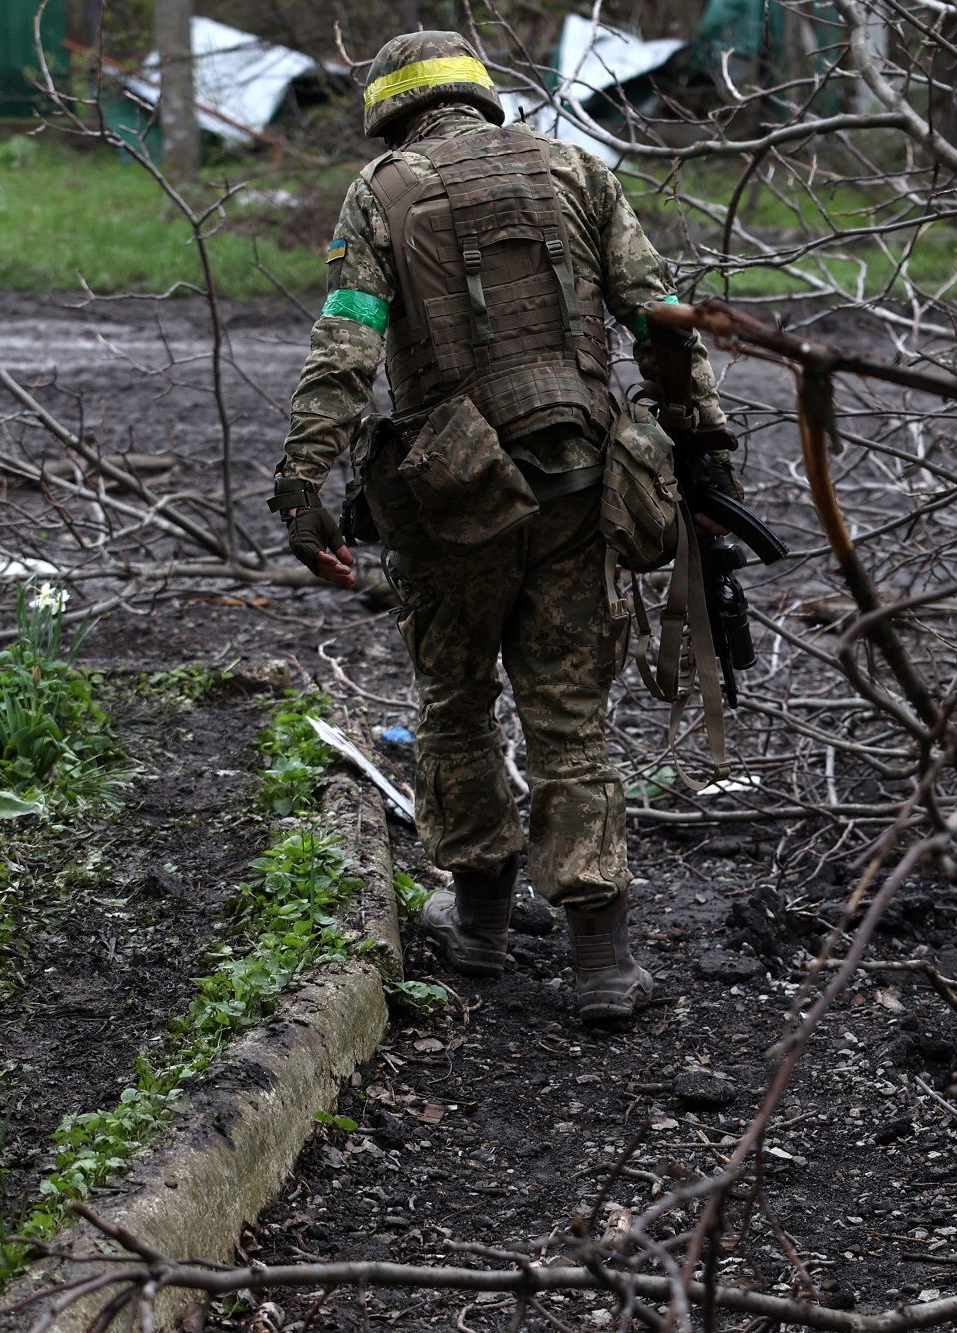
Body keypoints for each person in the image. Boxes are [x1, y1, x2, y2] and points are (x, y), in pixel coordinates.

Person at [269, 31, 741, 1024]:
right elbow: (659, 315)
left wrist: (303, 480)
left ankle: (479, 927)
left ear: (392, 112)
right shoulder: (577, 169)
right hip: (580, 482)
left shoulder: (382, 192)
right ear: (480, 100)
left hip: (452, 503)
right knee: (569, 714)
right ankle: (600, 957)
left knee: (455, 701)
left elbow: (348, 342)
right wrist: (703, 447)